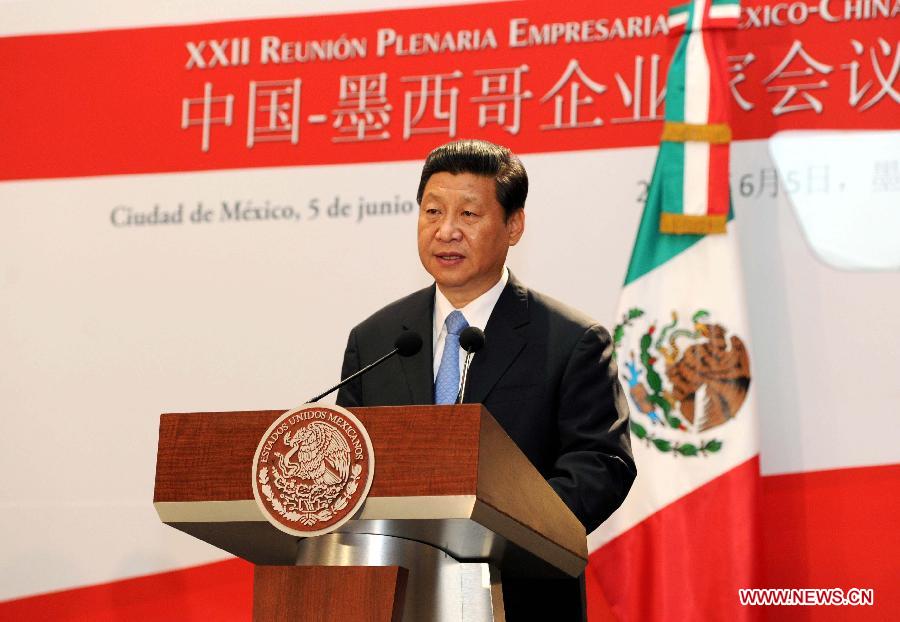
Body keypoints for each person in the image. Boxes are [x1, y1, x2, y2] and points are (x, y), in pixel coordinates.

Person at [337, 139, 635, 621]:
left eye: (469, 215)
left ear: (513, 225)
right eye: (432, 211)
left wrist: (505, 531)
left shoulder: (571, 340)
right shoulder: (376, 340)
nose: (446, 230)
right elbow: (350, 461)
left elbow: (601, 463)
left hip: (520, 595)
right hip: (391, 595)